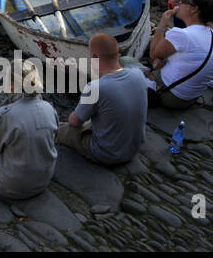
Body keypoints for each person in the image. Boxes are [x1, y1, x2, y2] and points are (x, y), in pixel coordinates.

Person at [0, 60, 57, 200]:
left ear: (12, 85)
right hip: (42, 182)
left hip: (14, 187)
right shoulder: (49, 108)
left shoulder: (6, 115)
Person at [58, 34, 148, 166]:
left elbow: (74, 122)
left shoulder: (95, 88)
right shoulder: (138, 74)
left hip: (107, 154)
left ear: (94, 57)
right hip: (133, 148)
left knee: (62, 129)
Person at [146, 0, 213, 109]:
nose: (179, 2)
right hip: (190, 97)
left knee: (127, 62)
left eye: (184, 0)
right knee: (159, 61)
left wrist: (162, 24)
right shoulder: (210, 33)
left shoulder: (182, 34)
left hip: (172, 96)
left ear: (194, 9)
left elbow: (153, 54)